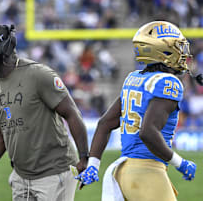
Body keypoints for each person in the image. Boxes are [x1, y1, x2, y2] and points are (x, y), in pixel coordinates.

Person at [0, 24, 89, 201]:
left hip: (54, 174)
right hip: (21, 178)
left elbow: (72, 113)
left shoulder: (38, 74)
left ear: (5, 46)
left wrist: (84, 157)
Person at [76, 21, 197, 201]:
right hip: (147, 173)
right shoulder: (168, 82)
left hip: (122, 173)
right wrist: (180, 163)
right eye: (177, 47)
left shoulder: (133, 79)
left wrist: (93, 164)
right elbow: (147, 132)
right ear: (162, 50)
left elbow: (105, 123)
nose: (182, 53)